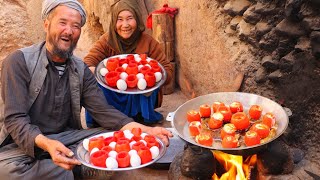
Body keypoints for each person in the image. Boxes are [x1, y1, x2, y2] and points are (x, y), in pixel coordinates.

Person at [0, 0, 172, 179]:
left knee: (116, 138)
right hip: (22, 147)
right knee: (6, 172)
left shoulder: (80, 69)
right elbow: (15, 120)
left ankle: (67, 169)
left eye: (76, 26)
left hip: (68, 140)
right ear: (46, 24)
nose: (69, 31)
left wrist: (146, 130)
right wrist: (47, 144)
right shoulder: (18, 61)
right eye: (63, 23)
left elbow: (104, 112)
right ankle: (75, 170)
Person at [83, 0, 173, 125]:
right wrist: (92, 70)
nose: (125, 25)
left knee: (144, 83)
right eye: (120, 19)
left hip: (140, 95)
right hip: (113, 93)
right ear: (114, 21)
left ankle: (141, 117)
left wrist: (154, 79)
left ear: (137, 19)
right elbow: (88, 60)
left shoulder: (149, 42)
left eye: (130, 18)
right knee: (94, 83)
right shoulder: (106, 40)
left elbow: (167, 69)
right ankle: (102, 119)